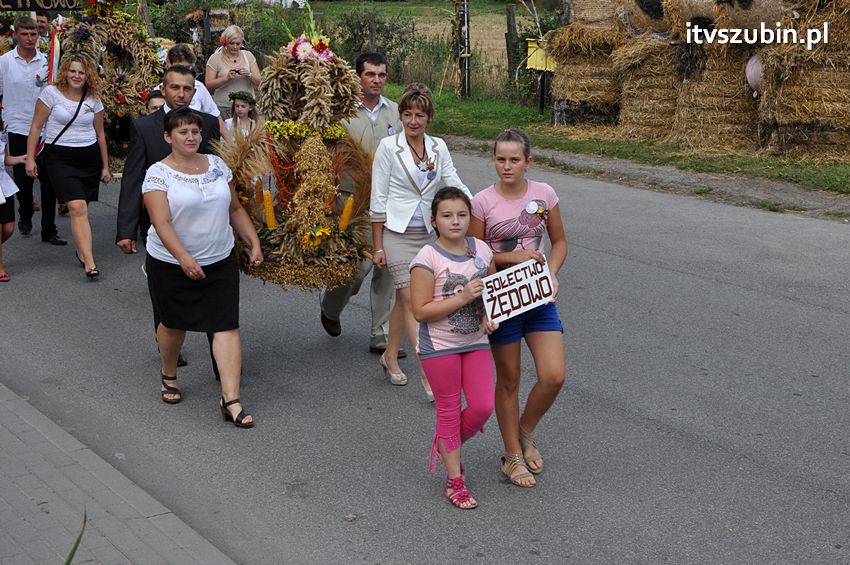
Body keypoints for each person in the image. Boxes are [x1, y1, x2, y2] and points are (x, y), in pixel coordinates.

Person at [142, 107, 262, 427]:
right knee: (173, 323)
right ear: (168, 137)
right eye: (183, 132)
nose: (191, 137)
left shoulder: (217, 165)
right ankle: (169, 373)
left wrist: (253, 242)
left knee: (226, 324)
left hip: (219, 260)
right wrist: (183, 257)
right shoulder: (158, 174)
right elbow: (161, 222)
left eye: (195, 131)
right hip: (170, 263)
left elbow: (234, 208)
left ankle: (231, 399)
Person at [468, 128, 567, 488]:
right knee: (509, 379)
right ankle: (512, 455)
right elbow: (477, 254)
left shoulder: (545, 195)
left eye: (514, 160)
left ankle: (525, 430)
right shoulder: (482, 201)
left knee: (554, 375)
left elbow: (558, 242)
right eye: (500, 159)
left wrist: (551, 273)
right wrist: (513, 256)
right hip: (501, 298)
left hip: (538, 296)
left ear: (529, 161)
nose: (506, 166)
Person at [370, 83, 472, 399]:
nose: (414, 121)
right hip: (396, 235)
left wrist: (473, 204)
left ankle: (389, 356)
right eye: (408, 114)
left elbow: (452, 181)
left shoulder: (439, 147)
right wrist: (377, 245)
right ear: (400, 116)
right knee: (415, 303)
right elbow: (379, 197)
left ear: (429, 118)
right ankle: (430, 375)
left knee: (405, 303)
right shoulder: (389, 148)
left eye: (420, 115)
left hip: (428, 235)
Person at [117, 65, 221, 370]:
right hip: (163, 229)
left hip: (208, 228)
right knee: (167, 298)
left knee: (215, 297)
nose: (181, 94)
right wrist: (125, 229)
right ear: (163, 90)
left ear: (195, 91)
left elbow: (221, 175)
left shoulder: (209, 124)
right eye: (175, 88)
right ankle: (170, 357)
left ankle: (222, 360)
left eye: (187, 88)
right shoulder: (145, 128)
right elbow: (133, 178)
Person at [410, 187, 499, 509]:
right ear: (434, 220)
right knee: (448, 411)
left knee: (482, 407)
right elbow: (420, 310)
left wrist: (491, 316)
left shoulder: (482, 250)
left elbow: (492, 292)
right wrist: (461, 298)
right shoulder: (427, 258)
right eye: (447, 215)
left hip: (475, 341)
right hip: (440, 347)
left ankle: (446, 445)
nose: (455, 221)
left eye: (462, 215)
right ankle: (454, 481)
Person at [319, 52, 403, 358]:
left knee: (389, 268)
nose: (377, 80)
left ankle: (381, 334)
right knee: (356, 268)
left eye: (382, 75)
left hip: (391, 202)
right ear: (357, 77)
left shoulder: (396, 113)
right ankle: (330, 306)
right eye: (371, 74)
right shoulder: (339, 113)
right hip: (352, 201)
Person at [25, 54, 111, 279]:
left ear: (88, 75)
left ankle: (82, 248)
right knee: (77, 208)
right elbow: (35, 127)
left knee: (82, 208)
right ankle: (90, 263)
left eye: (81, 72)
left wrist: (105, 166)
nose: (76, 76)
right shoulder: (50, 94)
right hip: (59, 158)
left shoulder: (93, 98)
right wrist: (30, 158)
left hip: (89, 158)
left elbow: (101, 134)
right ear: (65, 71)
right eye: (73, 71)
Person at [0, 17, 57, 242]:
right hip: (16, 127)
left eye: (33, 34)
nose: (29, 38)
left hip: (45, 129)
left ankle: (49, 229)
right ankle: (24, 215)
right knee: (24, 180)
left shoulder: (47, 63)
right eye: (24, 34)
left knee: (48, 181)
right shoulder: (4, 62)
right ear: (15, 34)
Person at [159, 44, 230, 142]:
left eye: (187, 68)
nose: (181, 94)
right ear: (169, 64)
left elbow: (215, 115)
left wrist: (232, 144)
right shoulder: (158, 91)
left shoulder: (199, 87)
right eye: (178, 67)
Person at [204, 25, 261, 118]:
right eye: (231, 43)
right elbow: (209, 85)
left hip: (246, 107)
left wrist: (249, 75)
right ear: (225, 42)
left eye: (238, 44)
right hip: (224, 107)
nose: (235, 47)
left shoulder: (248, 56)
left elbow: (258, 81)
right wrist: (225, 78)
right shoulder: (215, 58)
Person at [0, 129, 27, 283]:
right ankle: (0, 269)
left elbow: (6, 159)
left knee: (9, 229)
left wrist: (20, 159)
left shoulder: (2, 133)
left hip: (4, 186)